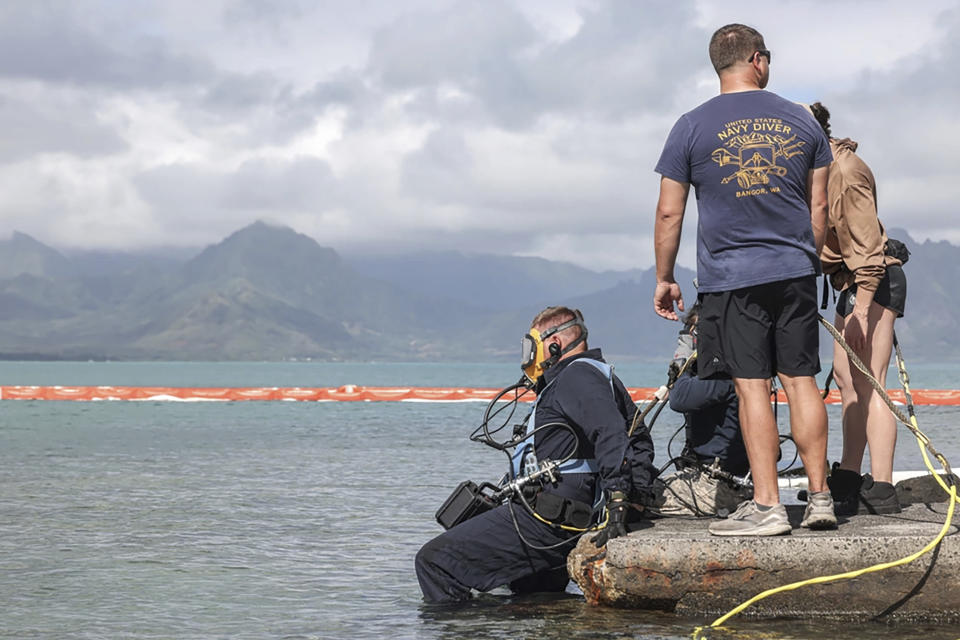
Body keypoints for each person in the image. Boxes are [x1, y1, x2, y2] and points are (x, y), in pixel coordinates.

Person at [652, 23, 835, 535]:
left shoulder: (690, 126)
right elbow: (818, 204)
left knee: (752, 388)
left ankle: (768, 506)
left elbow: (670, 214)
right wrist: (807, 259)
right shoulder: (804, 122)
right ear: (758, 60)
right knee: (801, 381)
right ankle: (820, 498)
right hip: (795, 269)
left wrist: (665, 277)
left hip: (731, 277)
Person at [415, 306, 657, 603]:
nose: (528, 358)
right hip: (557, 512)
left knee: (435, 562)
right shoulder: (594, 376)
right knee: (531, 594)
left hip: (549, 519)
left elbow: (610, 433)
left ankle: (468, 629)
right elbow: (640, 440)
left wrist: (620, 500)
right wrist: (634, 497)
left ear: (554, 344)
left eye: (531, 347)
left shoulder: (577, 376)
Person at [811, 101, 907, 515]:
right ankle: (850, 478)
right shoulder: (820, 169)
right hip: (849, 281)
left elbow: (868, 248)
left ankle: (882, 486)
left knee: (873, 384)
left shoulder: (846, 173)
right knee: (847, 381)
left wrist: (862, 309)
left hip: (872, 281)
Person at [656, 302, 752, 517]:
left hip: (720, 489)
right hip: (721, 480)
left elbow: (678, 399)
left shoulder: (722, 375)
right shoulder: (741, 368)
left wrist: (682, 360)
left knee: (641, 493)